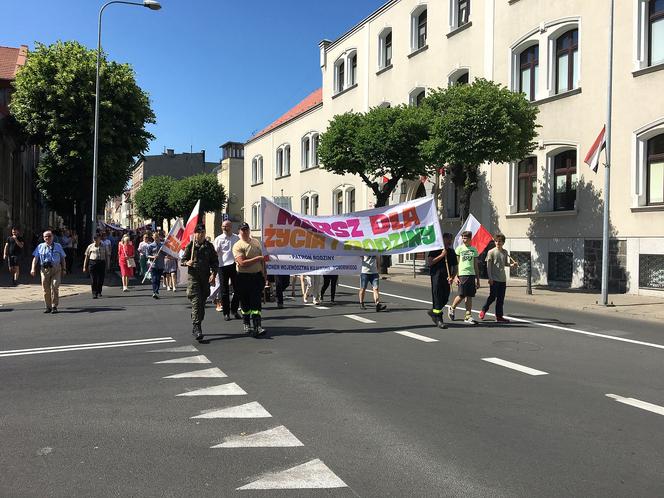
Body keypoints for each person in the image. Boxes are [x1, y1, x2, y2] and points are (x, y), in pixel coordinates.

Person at [181, 224, 218, 340]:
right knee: (196, 302)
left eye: (203, 232)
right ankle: (197, 327)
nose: (201, 234)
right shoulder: (191, 246)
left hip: (205, 279)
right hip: (194, 279)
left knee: (201, 304)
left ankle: (196, 322)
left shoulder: (209, 246)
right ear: (195, 234)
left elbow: (215, 262)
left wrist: (213, 274)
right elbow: (183, 260)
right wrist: (187, 262)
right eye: (199, 232)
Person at [233, 222, 267, 336]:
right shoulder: (238, 245)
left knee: (256, 303)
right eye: (242, 230)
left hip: (257, 276)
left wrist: (264, 274)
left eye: (246, 229)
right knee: (245, 303)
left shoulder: (256, 242)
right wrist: (258, 258)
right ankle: (246, 323)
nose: (245, 232)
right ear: (239, 232)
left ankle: (257, 326)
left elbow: (263, 260)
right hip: (243, 277)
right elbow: (242, 263)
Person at [479, 233, 517, 323]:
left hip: (502, 279)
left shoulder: (505, 252)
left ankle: (499, 317)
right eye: (496, 241)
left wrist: (513, 265)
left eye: (500, 241)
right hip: (494, 278)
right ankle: (484, 310)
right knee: (492, 297)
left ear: (503, 242)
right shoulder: (491, 252)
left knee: (500, 299)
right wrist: (490, 278)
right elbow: (488, 266)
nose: (497, 243)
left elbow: (505, 264)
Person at [30, 230, 67, 314]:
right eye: (45, 236)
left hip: (56, 269)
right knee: (46, 289)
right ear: (43, 238)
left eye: (49, 236)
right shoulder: (40, 246)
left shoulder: (58, 246)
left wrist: (64, 269)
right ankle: (48, 306)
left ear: (53, 237)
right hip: (44, 270)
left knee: (55, 286)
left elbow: (63, 258)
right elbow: (35, 258)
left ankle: (54, 306)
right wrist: (33, 268)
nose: (48, 238)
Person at [426, 233, 458, 329]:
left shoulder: (451, 252)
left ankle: (433, 312)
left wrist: (452, 276)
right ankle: (439, 319)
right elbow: (430, 262)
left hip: (446, 278)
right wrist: (442, 255)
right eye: (447, 239)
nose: (449, 241)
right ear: (442, 240)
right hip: (436, 276)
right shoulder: (435, 249)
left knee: (445, 298)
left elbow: (455, 267)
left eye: (450, 239)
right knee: (437, 297)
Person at [449, 231, 481, 324]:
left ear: (470, 239)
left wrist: (478, 279)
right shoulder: (459, 249)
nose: (464, 240)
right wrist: (455, 276)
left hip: (471, 274)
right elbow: (456, 264)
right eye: (463, 238)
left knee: (469, 295)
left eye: (466, 238)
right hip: (462, 274)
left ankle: (468, 316)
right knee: (462, 295)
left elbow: (475, 265)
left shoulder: (474, 250)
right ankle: (452, 307)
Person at [213, 220, 241, 320]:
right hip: (223, 266)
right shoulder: (218, 239)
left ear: (231, 227)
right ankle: (226, 313)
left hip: (234, 266)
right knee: (224, 291)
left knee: (238, 289)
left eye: (226, 226)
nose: (224, 228)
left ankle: (234, 310)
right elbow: (215, 252)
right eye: (223, 226)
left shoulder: (236, 238)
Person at [83, 233, 110, 298]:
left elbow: (107, 256)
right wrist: (84, 266)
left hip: (101, 262)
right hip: (93, 263)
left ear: (99, 239)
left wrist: (108, 265)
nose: (95, 240)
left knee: (101, 279)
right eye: (94, 239)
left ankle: (99, 291)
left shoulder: (104, 246)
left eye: (96, 238)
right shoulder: (90, 246)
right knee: (93, 279)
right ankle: (94, 293)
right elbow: (86, 257)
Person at [147, 231, 166, 299]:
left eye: (157, 237)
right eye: (155, 237)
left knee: (158, 279)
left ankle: (156, 290)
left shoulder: (162, 245)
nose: (156, 238)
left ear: (159, 237)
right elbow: (147, 255)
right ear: (153, 237)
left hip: (160, 264)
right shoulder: (150, 246)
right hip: (153, 264)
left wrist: (163, 252)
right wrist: (153, 257)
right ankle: (154, 292)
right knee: (154, 279)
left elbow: (165, 254)